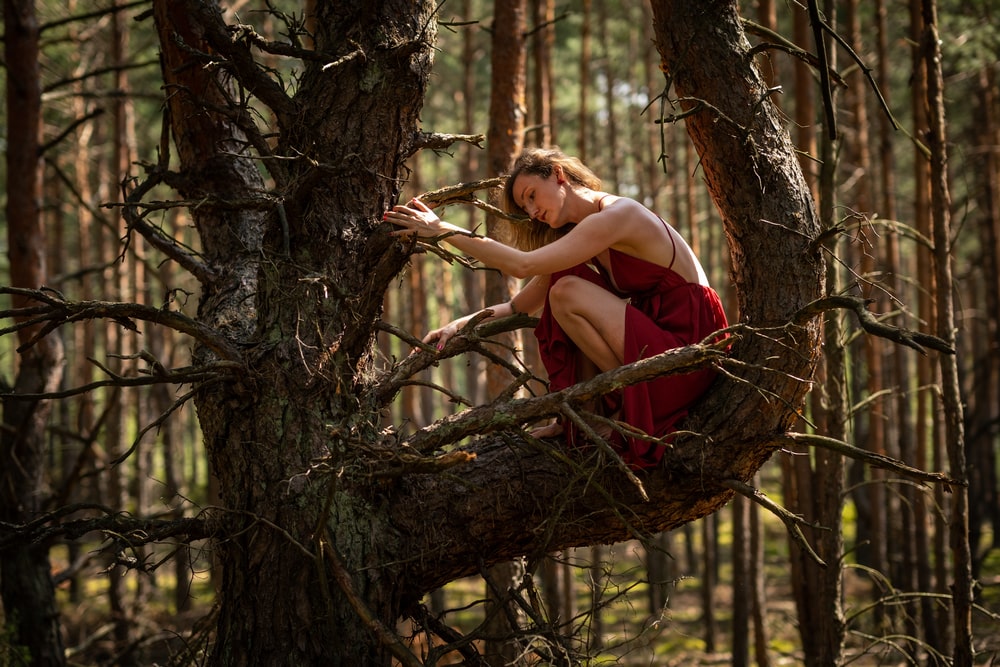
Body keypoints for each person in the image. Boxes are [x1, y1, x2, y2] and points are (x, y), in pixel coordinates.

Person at [384, 147, 728, 469]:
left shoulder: (617, 215)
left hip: (692, 346)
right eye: (524, 207)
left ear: (558, 174)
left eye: (531, 195)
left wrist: (443, 230)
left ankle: (618, 402)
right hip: (663, 351)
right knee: (564, 287)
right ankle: (594, 410)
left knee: (566, 291)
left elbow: (522, 265)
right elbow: (520, 304)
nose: (532, 212)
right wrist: (459, 324)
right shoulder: (583, 238)